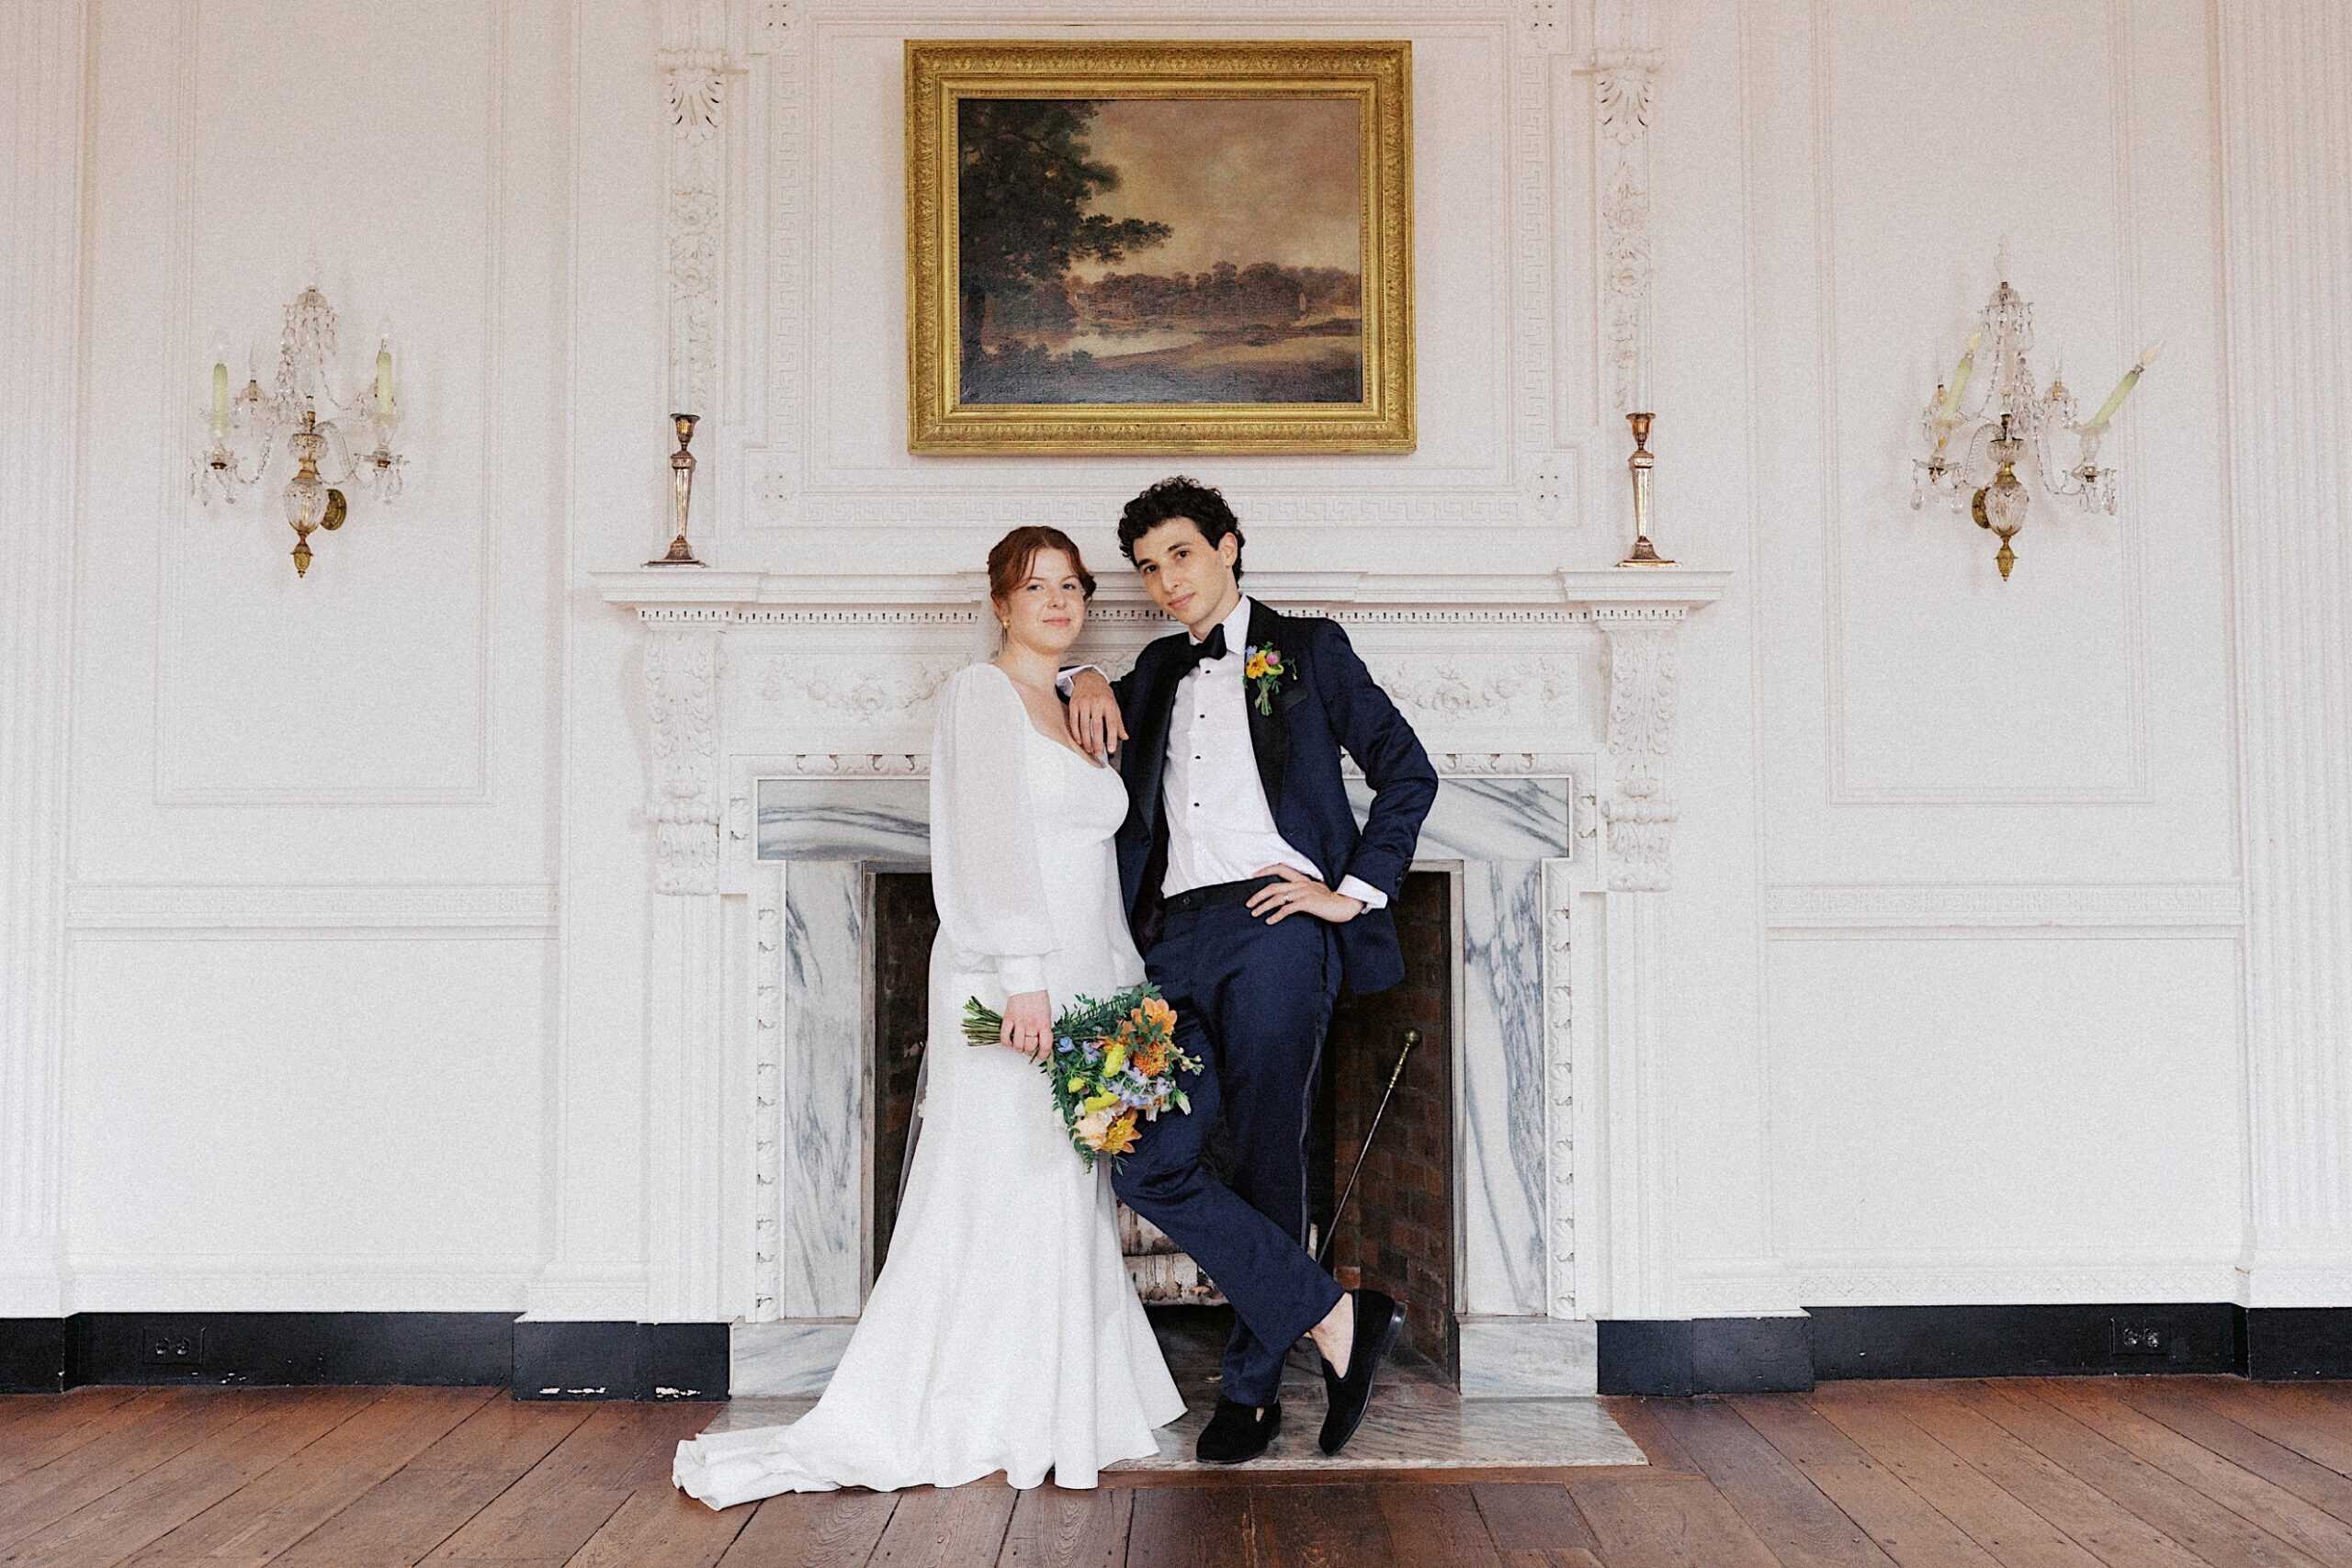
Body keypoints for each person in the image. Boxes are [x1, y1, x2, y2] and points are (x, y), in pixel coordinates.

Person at [673, 527, 1182, 1507]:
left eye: (1071, 587)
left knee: (1061, 1189)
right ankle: (981, 1406)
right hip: (1014, 982)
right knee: (1003, 1185)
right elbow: (988, 843)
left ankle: (1060, 1396)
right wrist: (1025, 978)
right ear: (998, 602)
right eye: (1036, 587)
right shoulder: (977, 697)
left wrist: (1086, 675)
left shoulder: (1070, 699)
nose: (1057, 600)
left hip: (1088, 981)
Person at [1061, 477, 1438, 1463]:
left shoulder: (1306, 649)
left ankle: (1252, 1394)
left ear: (1228, 546)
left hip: (1274, 924)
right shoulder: (1149, 670)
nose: (1164, 580)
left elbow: (1408, 769)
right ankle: (1337, 1319)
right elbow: (1063, 704)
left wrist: (1348, 891)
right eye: (1147, 567)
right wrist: (1082, 681)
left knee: (1267, 1155)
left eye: (1180, 554)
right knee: (1144, 1156)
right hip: (1166, 944)